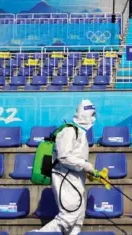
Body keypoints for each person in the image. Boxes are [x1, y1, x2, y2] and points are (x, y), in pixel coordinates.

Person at [30, 99, 99, 234]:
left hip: (76, 178)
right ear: (84, 114)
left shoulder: (81, 132)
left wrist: (88, 171)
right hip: (64, 178)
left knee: (78, 219)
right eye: (92, 114)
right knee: (68, 217)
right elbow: (63, 157)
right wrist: (85, 165)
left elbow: (76, 157)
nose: (93, 118)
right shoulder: (69, 131)